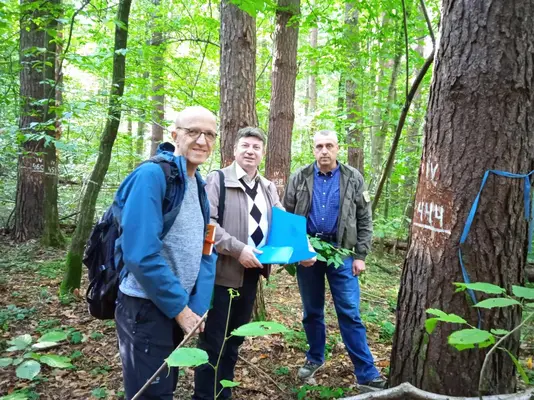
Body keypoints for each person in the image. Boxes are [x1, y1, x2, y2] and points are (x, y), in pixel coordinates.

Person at [193, 127, 314, 399]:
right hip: (221, 275)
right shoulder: (218, 180)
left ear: (262, 154)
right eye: (245, 146)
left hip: (251, 276)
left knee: (234, 339)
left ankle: (222, 394)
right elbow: (206, 225)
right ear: (235, 150)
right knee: (213, 342)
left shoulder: (267, 186)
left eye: (256, 147)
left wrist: (302, 251)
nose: (250, 151)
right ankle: (203, 395)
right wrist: (237, 250)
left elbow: (283, 225)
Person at [113, 106, 218, 399]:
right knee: (152, 395)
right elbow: (140, 254)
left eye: (209, 134)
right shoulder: (151, 176)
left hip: (176, 308)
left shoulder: (197, 182)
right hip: (145, 308)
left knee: (166, 387)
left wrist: (195, 307)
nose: (202, 140)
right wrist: (181, 310)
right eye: (193, 131)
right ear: (174, 135)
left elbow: (205, 248)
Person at [283, 129, 386, 390]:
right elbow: (287, 215)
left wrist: (360, 255)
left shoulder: (353, 178)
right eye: (319, 146)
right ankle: (314, 358)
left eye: (329, 145)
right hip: (309, 251)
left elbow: (365, 218)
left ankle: (367, 373)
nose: (324, 151)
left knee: (350, 312)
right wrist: (297, 251)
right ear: (313, 149)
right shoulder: (301, 177)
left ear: (337, 148)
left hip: (343, 253)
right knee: (312, 311)